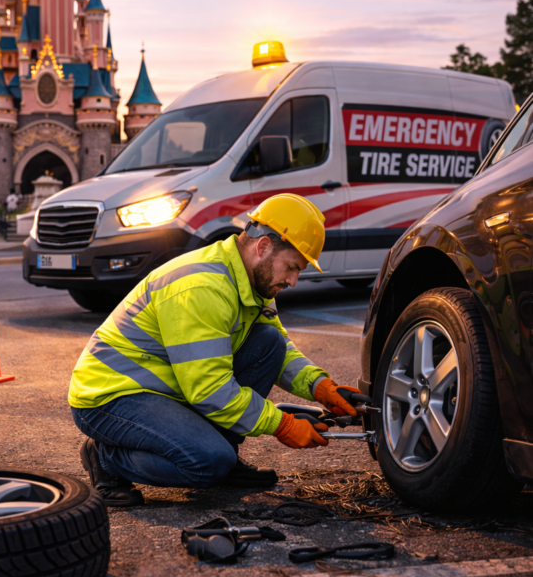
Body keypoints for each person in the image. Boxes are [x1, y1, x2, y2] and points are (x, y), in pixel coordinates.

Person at [69, 193, 360, 506]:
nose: (293, 281)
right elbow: (210, 390)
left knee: (268, 343)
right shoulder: (201, 286)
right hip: (112, 395)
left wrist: (319, 386)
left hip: (167, 387)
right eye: (291, 267)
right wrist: (281, 424)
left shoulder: (254, 281)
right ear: (263, 247)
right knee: (207, 463)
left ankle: (224, 453)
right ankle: (106, 458)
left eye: (298, 271)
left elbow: (278, 349)